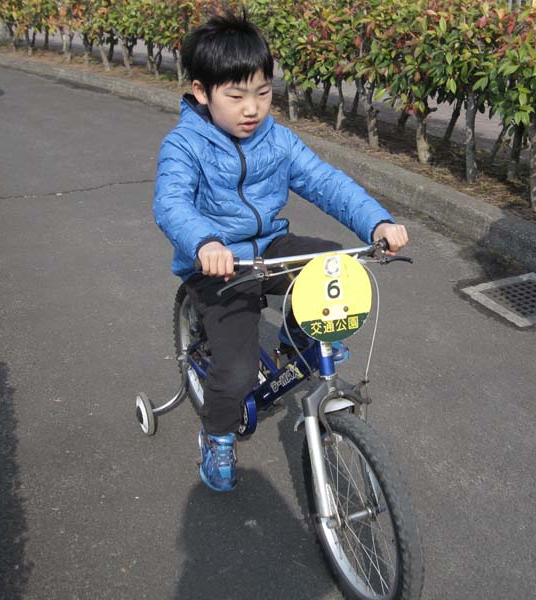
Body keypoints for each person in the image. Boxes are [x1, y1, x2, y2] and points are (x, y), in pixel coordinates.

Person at [153, 12, 408, 492]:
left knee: (332, 261)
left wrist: (376, 222)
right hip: (219, 265)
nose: (252, 108)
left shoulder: (277, 140)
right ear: (202, 92)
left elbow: (326, 182)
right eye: (236, 96)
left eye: (263, 92)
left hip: (268, 247)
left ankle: (298, 340)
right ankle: (216, 436)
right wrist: (206, 243)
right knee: (236, 372)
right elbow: (171, 203)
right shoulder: (184, 145)